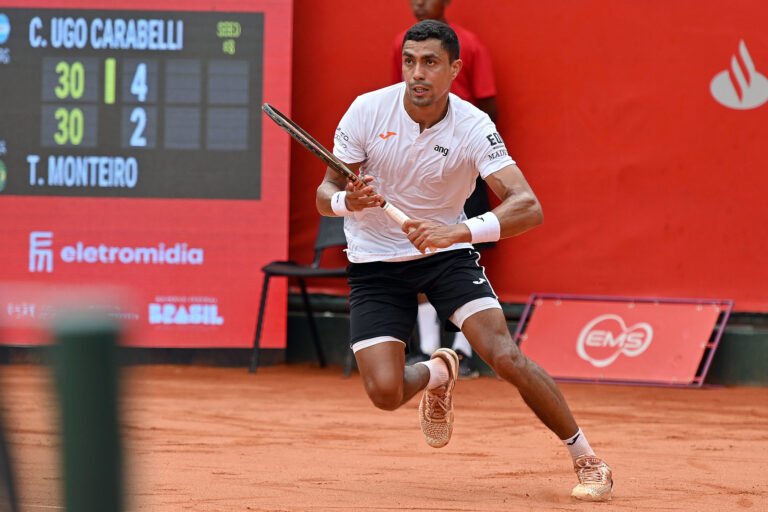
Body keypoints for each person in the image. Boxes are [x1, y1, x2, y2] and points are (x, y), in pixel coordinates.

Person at [316, 20, 613, 502]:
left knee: (505, 355)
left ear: (454, 69)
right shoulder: (366, 111)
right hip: (374, 262)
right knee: (385, 394)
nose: (417, 73)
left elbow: (527, 206)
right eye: (410, 61)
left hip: (446, 254)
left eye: (430, 62)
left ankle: (587, 457)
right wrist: (352, 202)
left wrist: (456, 230)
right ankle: (439, 371)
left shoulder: (474, 126)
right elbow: (324, 194)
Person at [392, 0, 497, 378]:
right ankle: (425, 349)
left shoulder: (469, 43)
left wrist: (477, 158)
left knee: (470, 247)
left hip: (463, 161)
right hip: (418, 167)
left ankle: (463, 351)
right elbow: (401, 100)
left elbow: (487, 102)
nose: (417, 2)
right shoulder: (402, 43)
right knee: (416, 246)